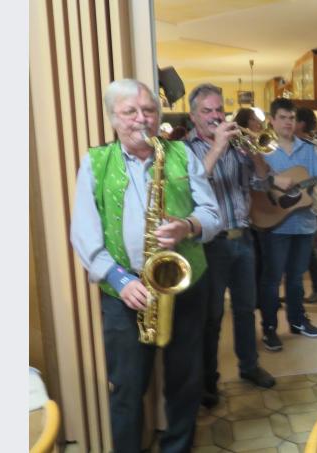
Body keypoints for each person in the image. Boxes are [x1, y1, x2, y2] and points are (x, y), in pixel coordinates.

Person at [70, 79, 221, 453]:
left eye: (149, 111)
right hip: (126, 291)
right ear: (113, 118)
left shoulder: (181, 154)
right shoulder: (95, 162)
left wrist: (188, 225)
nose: (143, 120)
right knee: (126, 387)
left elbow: (213, 214)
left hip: (184, 284)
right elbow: (83, 234)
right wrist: (120, 279)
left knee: (185, 383)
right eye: (130, 112)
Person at [185, 84, 280, 409]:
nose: (215, 117)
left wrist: (254, 153)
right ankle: (208, 381)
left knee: (245, 309)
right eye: (207, 111)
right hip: (211, 244)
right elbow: (188, 190)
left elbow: (264, 184)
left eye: (218, 110)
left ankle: (249, 366)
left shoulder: (240, 146)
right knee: (211, 317)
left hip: (243, 237)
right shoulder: (186, 149)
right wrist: (217, 150)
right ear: (193, 116)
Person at [258, 98, 317, 350]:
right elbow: (256, 184)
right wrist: (274, 183)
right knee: (272, 278)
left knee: (297, 278)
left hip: (304, 224)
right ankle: (269, 328)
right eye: (283, 118)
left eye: (291, 118)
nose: (288, 122)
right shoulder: (263, 149)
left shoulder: (308, 149)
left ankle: (297, 321)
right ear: (273, 121)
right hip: (275, 223)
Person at [295, 106, 317, 303]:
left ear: (302, 124)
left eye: (294, 119)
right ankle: (297, 290)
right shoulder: (293, 143)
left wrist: (297, 183)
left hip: (314, 203)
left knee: (308, 248)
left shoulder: (315, 145)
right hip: (297, 204)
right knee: (302, 248)